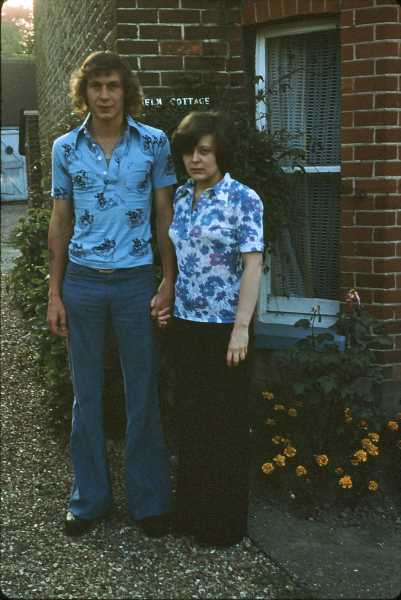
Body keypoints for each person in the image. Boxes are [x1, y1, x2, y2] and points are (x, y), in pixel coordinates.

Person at [47, 51, 176, 538]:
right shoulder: (65, 148)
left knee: (142, 392)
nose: (104, 96)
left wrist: (169, 279)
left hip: (135, 282)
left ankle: (149, 502)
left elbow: (164, 215)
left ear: (126, 91)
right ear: (85, 92)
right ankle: (89, 500)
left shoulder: (154, 143)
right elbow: (60, 220)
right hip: (81, 282)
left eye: (113, 86)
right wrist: (55, 292)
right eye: (96, 86)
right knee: (86, 395)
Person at [165, 111, 264, 547]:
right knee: (191, 420)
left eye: (204, 151)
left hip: (226, 329)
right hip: (185, 325)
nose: (196, 159)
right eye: (189, 151)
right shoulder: (181, 197)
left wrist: (242, 328)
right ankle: (191, 513)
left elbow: (253, 266)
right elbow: (180, 259)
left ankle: (223, 524)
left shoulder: (244, 199)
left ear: (220, 152)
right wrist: (166, 296)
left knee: (225, 425)